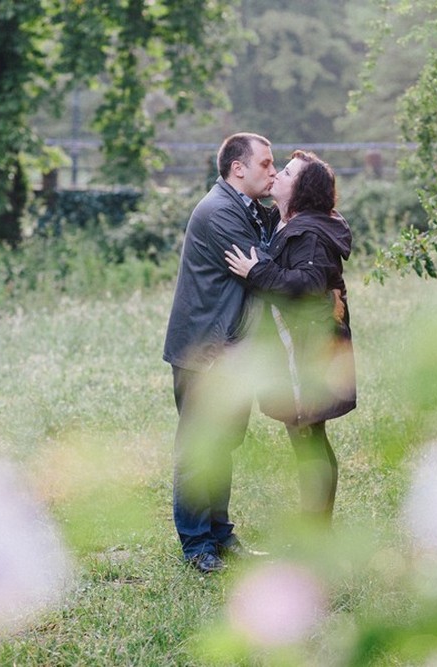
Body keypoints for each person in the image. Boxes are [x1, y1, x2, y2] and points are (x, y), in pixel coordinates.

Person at [163, 132, 277, 574]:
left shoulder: (244, 207)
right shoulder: (217, 212)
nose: (273, 170)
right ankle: (196, 545)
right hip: (205, 351)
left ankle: (219, 533)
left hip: (232, 350)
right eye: (266, 164)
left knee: (223, 444)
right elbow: (263, 266)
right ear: (238, 169)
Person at [224, 150, 356, 526]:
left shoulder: (310, 233)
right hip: (300, 345)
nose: (277, 175)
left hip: (310, 348)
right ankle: (313, 527)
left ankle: (316, 533)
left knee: (309, 436)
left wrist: (257, 272)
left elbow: (309, 285)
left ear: (301, 190)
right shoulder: (293, 222)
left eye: (286, 172)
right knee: (306, 435)